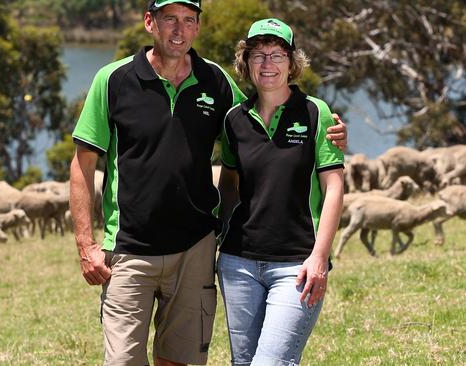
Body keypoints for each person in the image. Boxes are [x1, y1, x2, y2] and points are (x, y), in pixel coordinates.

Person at [69, 2, 346, 364]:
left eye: (188, 20)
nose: (179, 30)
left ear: (198, 27)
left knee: (181, 361)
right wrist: (85, 243)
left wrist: (332, 132)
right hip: (129, 249)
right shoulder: (113, 79)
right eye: (170, 19)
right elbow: (83, 164)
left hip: (195, 251)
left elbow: (261, 113)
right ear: (150, 22)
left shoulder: (215, 81)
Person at [216, 18, 345, 366]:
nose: (267, 64)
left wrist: (320, 257)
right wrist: (220, 234)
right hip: (237, 263)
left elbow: (334, 187)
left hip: (297, 265)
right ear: (246, 63)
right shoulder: (233, 120)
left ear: (292, 62)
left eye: (277, 55)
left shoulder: (317, 113)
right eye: (258, 55)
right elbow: (229, 182)